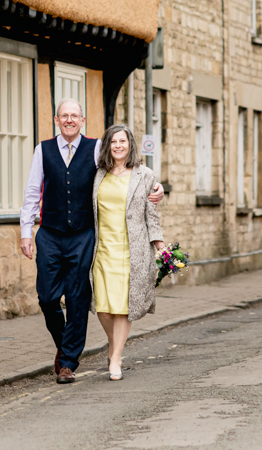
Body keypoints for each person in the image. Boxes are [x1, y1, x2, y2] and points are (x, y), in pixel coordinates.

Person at [20, 99, 163, 384]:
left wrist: (156, 187)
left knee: (76, 298)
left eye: (75, 115)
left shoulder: (97, 147)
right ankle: (65, 347)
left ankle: (68, 363)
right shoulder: (43, 150)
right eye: (64, 116)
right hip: (49, 232)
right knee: (47, 298)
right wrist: (26, 231)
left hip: (84, 235)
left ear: (83, 120)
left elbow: (124, 168)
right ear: (56, 120)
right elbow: (32, 191)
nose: (70, 120)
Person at [91, 124, 163, 381]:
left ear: (130, 144)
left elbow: (150, 214)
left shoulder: (144, 175)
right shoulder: (98, 174)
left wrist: (159, 244)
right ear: (107, 146)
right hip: (102, 250)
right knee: (102, 305)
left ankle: (116, 358)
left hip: (131, 250)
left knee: (123, 306)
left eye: (122, 141)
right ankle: (115, 343)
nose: (118, 146)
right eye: (113, 142)